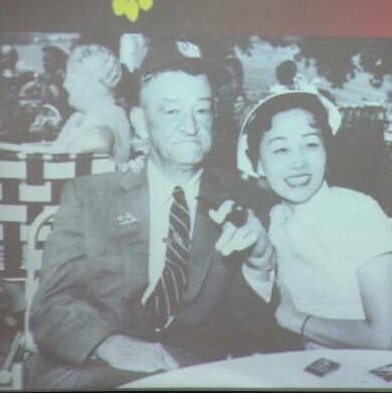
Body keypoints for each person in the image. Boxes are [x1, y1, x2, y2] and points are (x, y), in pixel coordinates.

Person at [25, 40, 278, 389]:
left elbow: (252, 333)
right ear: (141, 123)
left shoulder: (244, 202)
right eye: (172, 111)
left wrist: (260, 266)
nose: (191, 126)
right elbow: (51, 305)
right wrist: (108, 344)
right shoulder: (89, 196)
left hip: (190, 374)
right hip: (93, 368)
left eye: (202, 110)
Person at [237, 82, 392, 356]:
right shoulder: (273, 222)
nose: (298, 162)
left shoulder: (358, 211)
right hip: (321, 366)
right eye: (280, 150)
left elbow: (384, 338)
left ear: (326, 154)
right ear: (258, 164)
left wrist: (295, 320)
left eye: (310, 144)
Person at [50, 44, 131, 165]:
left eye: (68, 75)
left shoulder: (112, 116)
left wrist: (62, 156)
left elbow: (99, 140)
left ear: (91, 79)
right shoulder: (78, 116)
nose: (65, 84)